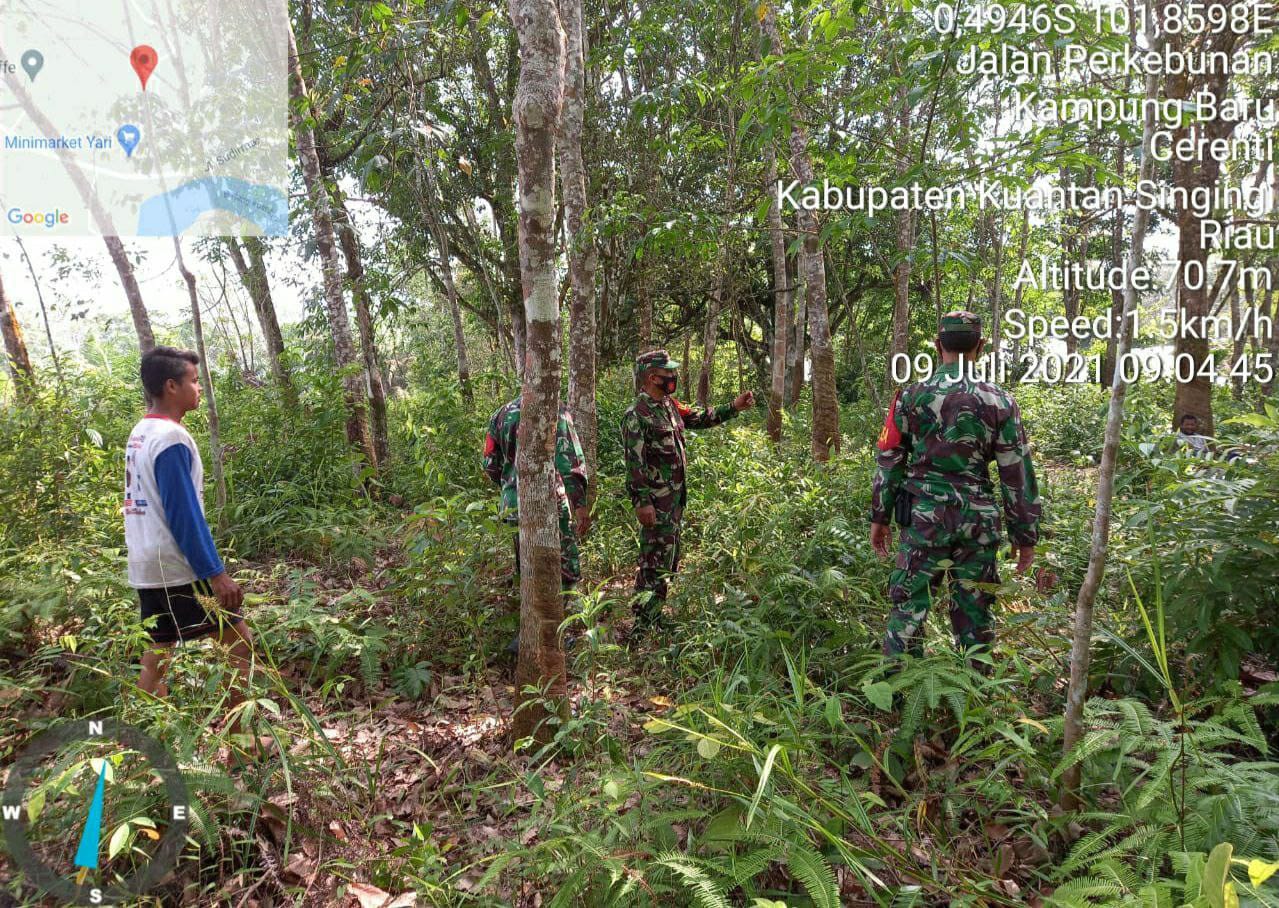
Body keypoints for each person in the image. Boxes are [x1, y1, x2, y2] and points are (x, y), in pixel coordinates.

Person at [869, 312, 1041, 662]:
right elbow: (1016, 473)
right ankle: (975, 699)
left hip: (923, 520)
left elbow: (890, 461)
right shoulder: (1001, 401)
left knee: (908, 609)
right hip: (977, 521)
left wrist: (880, 516)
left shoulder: (910, 396)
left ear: (938, 346)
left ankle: (897, 693)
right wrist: (1025, 536)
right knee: (976, 615)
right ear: (980, 348)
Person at [124, 347, 261, 755]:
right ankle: (243, 743)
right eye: (193, 381)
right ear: (171, 386)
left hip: (148, 563)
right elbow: (184, 514)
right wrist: (215, 573)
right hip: (180, 565)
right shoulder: (170, 438)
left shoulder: (141, 432)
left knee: (156, 655)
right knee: (239, 641)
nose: (199, 388)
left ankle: (139, 753)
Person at [621, 349, 754, 633]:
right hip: (655, 503)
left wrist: (734, 407)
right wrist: (642, 502)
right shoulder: (637, 414)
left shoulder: (669, 405)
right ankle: (643, 623)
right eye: (668, 373)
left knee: (668, 557)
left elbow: (697, 418)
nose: (673, 377)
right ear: (652, 377)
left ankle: (655, 614)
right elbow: (635, 463)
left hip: (674, 500)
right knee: (652, 558)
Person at [482, 396, 590, 654]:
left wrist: (511, 485)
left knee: (528, 567)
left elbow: (490, 463)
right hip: (550, 503)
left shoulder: (501, 413)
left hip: (513, 505)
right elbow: (570, 462)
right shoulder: (556, 410)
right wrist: (580, 505)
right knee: (563, 569)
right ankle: (548, 635)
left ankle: (533, 633)